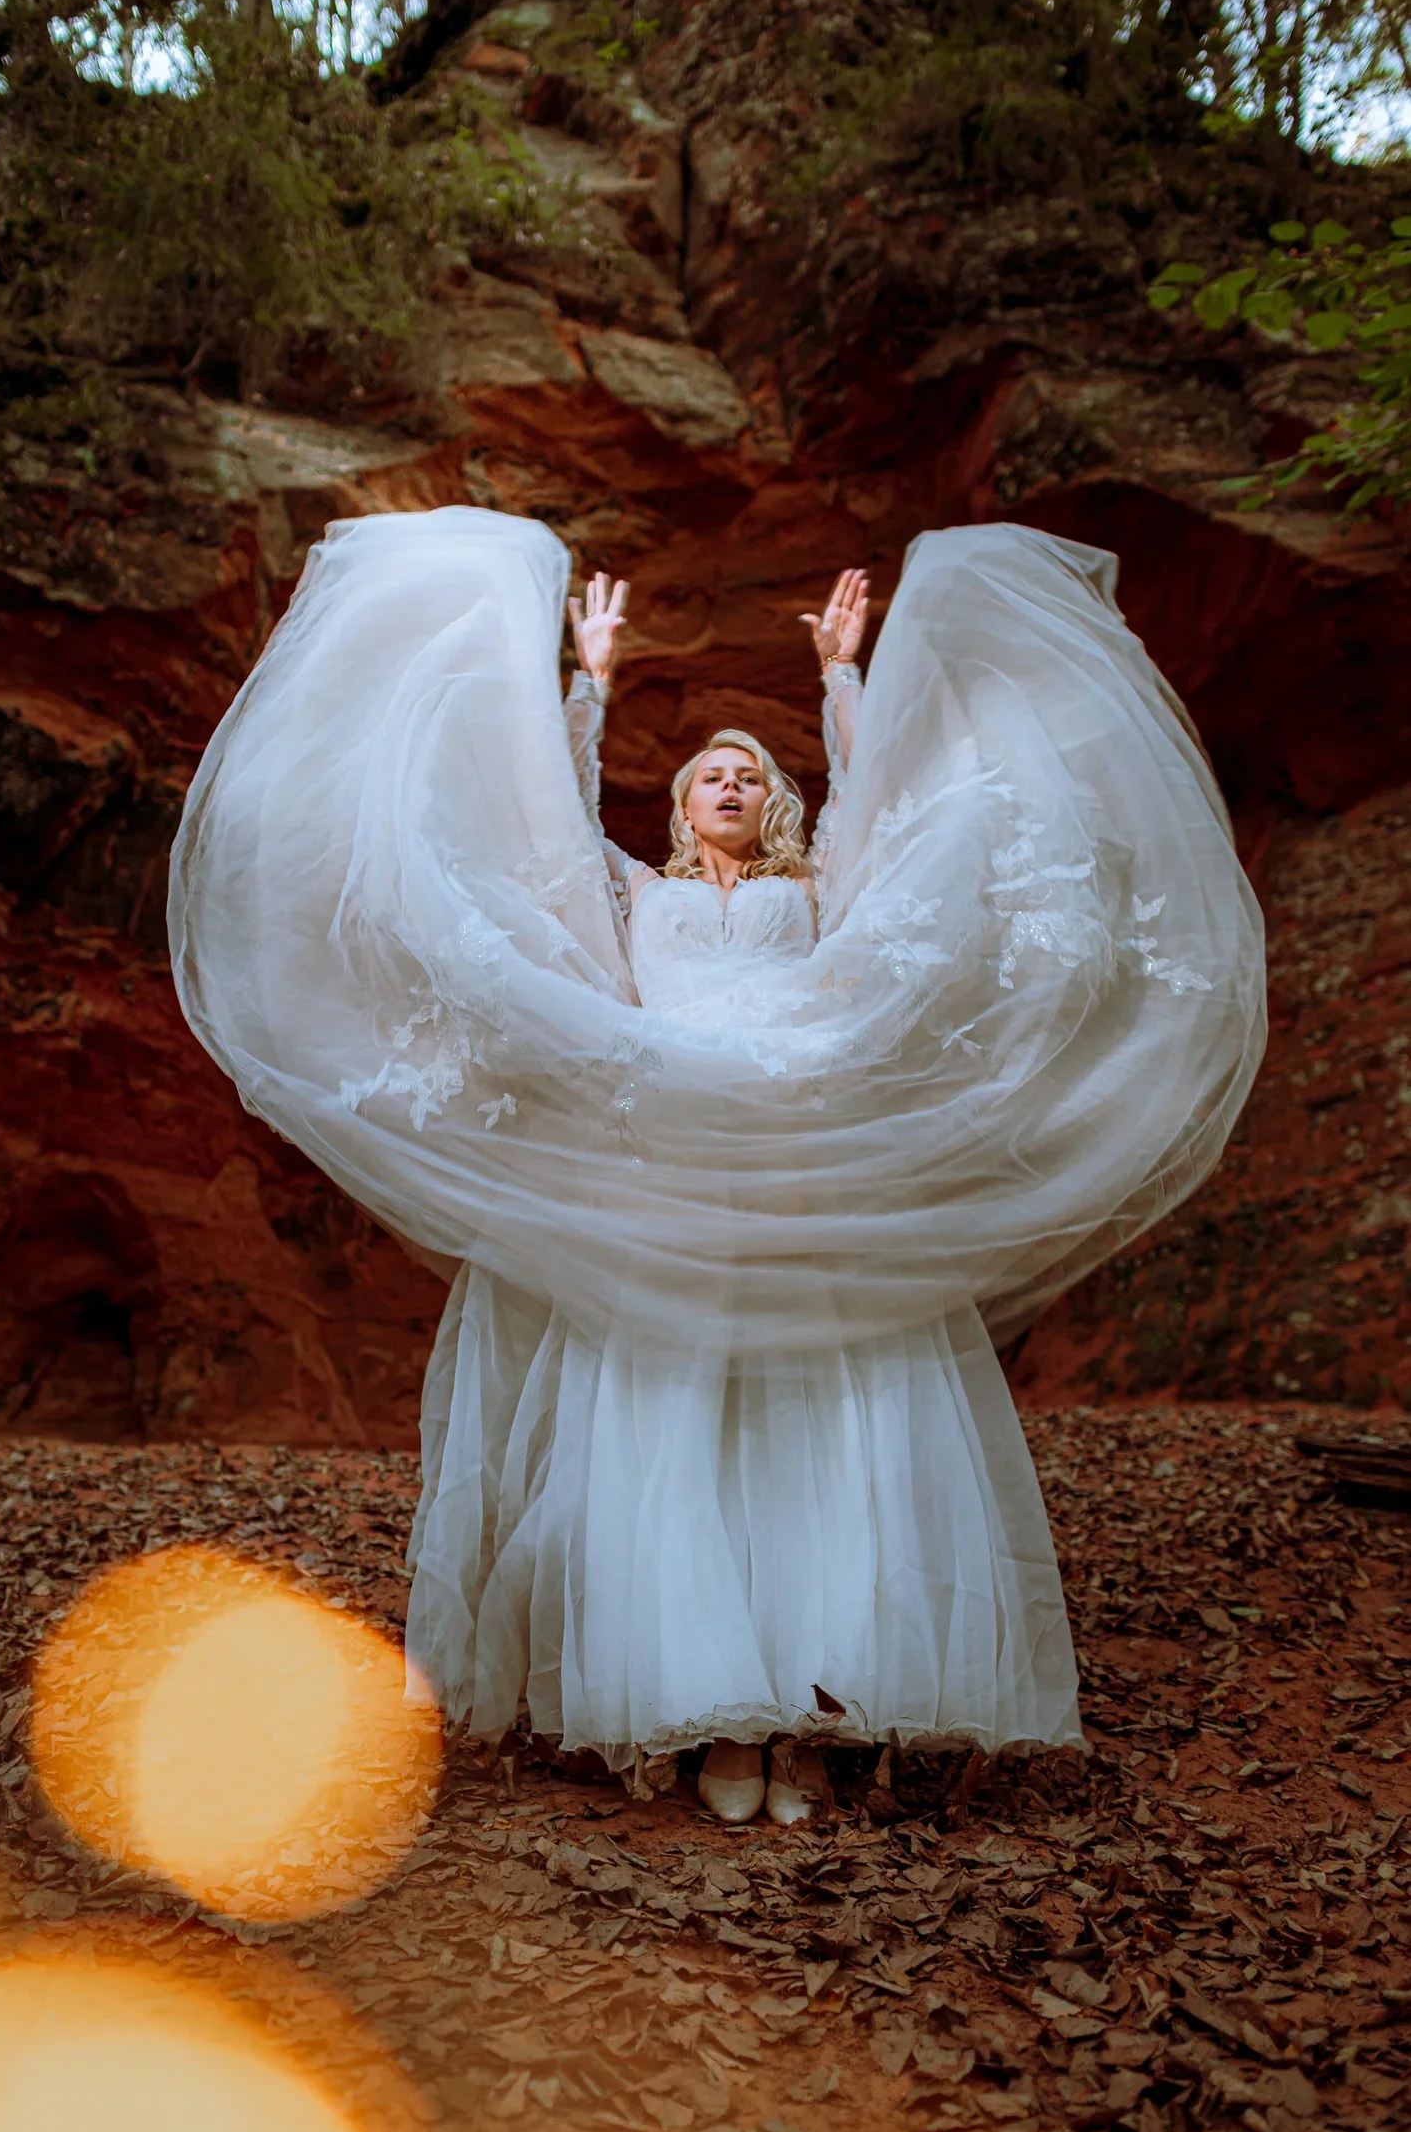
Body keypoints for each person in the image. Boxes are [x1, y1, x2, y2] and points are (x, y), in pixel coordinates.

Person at [169, 508, 1266, 1826]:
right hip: (675, 1177)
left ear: (779, 798)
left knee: (814, 1419)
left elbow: (896, 819)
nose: (730, 782)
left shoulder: (821, 893)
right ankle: (695, 1712)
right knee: (675, 1422)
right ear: (681, 807)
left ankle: (810, 1712)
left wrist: (845, 676)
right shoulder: (638, 895)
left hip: (802, 1169)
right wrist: (591, 682)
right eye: (706, 773)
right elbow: (544, 837)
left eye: (750, 771)